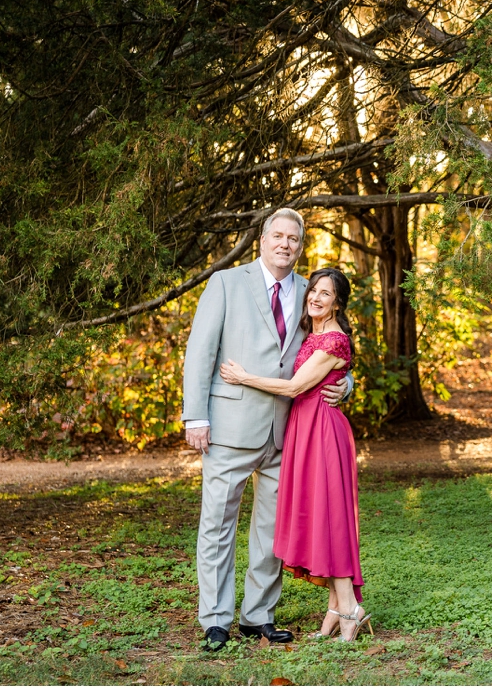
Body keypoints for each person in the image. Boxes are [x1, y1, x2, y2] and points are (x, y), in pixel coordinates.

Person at [182, 208, 350, 651]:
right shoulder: (226, 282)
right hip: (229, 427)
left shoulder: (308, 292)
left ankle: (258, 616)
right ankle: (216, 619)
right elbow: (200, 351)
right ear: (262, 239)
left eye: (293, 239)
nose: (285, 245)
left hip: (286, 431)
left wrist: (345, 383)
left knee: (271, 530)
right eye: (277, 236)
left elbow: (327, 348)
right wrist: (195, 416)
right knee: (217, 524)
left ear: (300, 245)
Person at [219, 267, 371, 642]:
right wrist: (346, 382)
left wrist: (243, 378)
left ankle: (350, 609)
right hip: (304, 428)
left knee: (330, 517)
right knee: (322, 516)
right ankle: (338, 608)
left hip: (322, 431)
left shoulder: (333, 340)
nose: (316, 298)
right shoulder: (313, 333)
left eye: (326, 293)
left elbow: (292, 387)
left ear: (338, 302)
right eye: (313, 291)